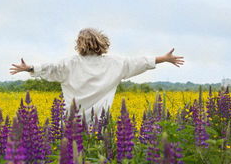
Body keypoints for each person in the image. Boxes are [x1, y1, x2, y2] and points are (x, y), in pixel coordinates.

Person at [10, 28, 184, 120]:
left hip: (72, 125)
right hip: (99, 126)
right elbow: (139, 62)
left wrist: (30, 68)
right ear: (102, 43)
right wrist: (164, 58)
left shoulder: (69, 63)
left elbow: (50, 68)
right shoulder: (115, 63)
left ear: (79, 44)